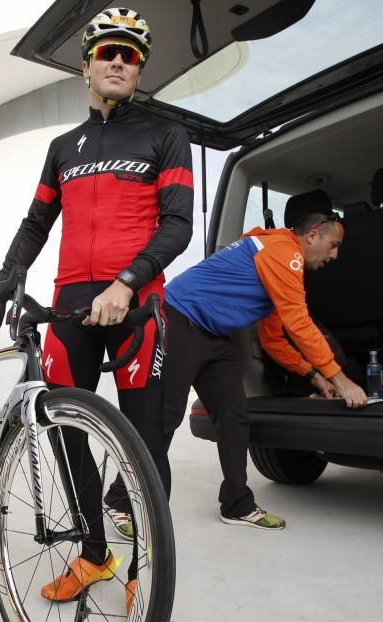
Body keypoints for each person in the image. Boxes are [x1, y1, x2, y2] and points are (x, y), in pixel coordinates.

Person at [0, 8, 192, 604]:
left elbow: (177, 226)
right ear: (86, 65)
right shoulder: (63, 146)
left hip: (138, 304)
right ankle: (94, 555)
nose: (119, 61)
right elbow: (36, 223)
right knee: (67, 437)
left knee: (143, 450)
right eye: (107, 52)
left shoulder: (164, 134)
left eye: (130, 54)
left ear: (138, 69)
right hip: (71, 306)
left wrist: (127, 283)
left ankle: (143, 570)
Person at [157, 209, 368, 531]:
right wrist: (342, 381)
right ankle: (120, 502)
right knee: (164, 417)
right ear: (312, 235)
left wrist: (315, 377)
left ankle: (236, 505)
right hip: (179, 317)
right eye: (334, 244)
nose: (335, 255)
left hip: (215, 333)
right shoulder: (285, 253)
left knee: (234, 416)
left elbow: (274, 340)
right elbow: (300, 323)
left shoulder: (276, 264)